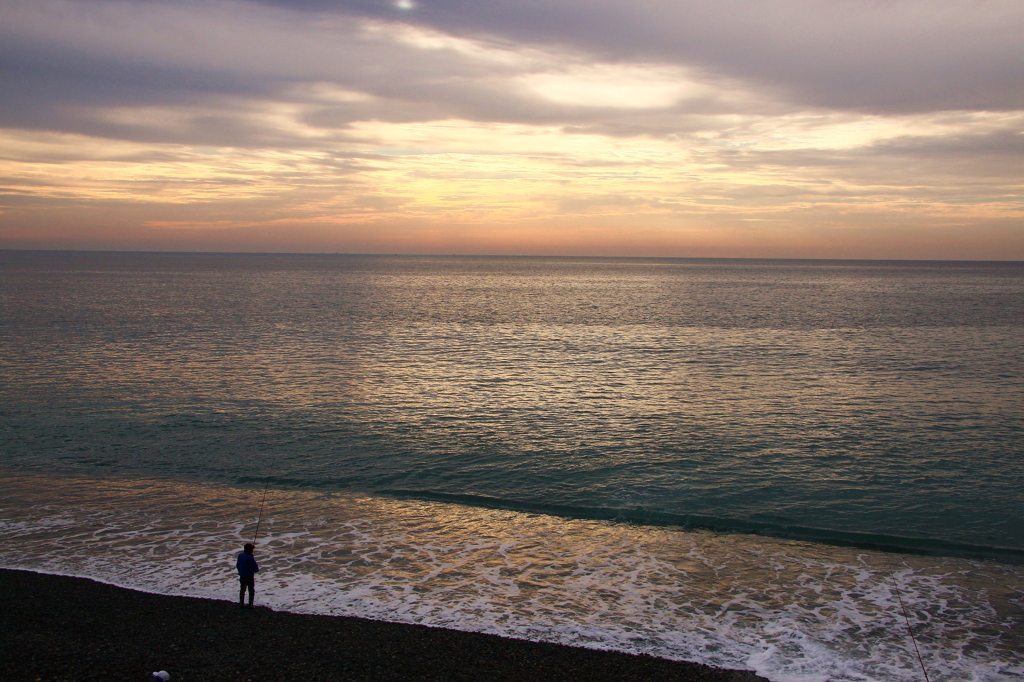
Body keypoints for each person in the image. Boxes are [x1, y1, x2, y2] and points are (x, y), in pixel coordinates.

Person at [236, 543, 260, 608]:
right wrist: (256, 570)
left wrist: (240, 571)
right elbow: (255, 567)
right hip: (249, 576)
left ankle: (241, 603)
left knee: (242, 589)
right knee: (251, 590)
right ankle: (250, 604)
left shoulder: (240, 555)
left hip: (242, 575)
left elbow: (238, 565)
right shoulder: (249, 557)